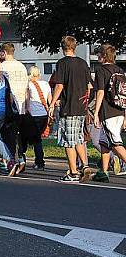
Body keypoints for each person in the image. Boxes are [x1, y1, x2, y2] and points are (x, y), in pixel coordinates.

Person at [49, 36, 93, 182]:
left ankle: (73, 171)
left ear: (63, 48)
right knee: (78, 137)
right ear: (74, 47)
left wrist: (52, 102)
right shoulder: (83, 63)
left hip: (69, 106)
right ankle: (85, 166)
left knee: (68, 140)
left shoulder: (62, 63)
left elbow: (59, 85)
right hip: (81, 107)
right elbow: (89, 86)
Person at [92, 44, 126, 180]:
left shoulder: (101, 71)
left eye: (99, 53)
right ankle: (103, 172)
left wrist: (95, 112)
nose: (97, 56)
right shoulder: (120, 70)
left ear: (104, 55)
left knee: (115, 144)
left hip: (108, 113)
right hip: (118, 110)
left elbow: (100, 92)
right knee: (104, 142)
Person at [0, 42, 30, 174]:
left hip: (8, 105)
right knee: (17, 134)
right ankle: (21, 159)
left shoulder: (2, 67)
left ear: (4, 53)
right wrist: (27, 106)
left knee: (7, 135)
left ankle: (13, 161)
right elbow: (27, 88)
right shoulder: (22, 66)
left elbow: (0, 87)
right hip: (22, 104)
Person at [24, 65, 52, 171]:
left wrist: (25, 111)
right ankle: (39, 161)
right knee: (38, 139)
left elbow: (26, 99)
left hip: (33, 114)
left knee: (30, 139)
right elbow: (49, 99)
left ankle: (35, 161)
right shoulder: (45, 84)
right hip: (44, 114)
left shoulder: (29, 85)